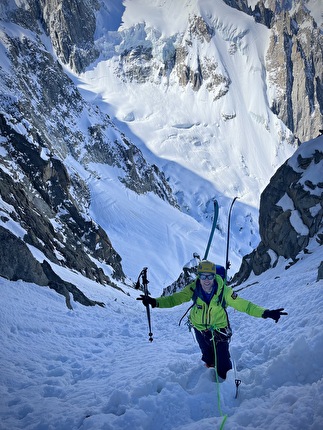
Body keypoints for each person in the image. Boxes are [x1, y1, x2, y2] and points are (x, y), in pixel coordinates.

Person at [137, 260, 287, 380]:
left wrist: (265, 313)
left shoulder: (225, 291)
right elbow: (174, 299)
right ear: (199, 277)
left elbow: (244, 305)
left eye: (209, 276)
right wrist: (155, 302)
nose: (206, 280)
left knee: (224, 368)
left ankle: (225, 381)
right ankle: (210, 372)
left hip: (219, 330)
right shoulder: (193, 288)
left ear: (214, 276)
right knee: (208, 357)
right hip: (199, 329)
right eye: (203, 276)